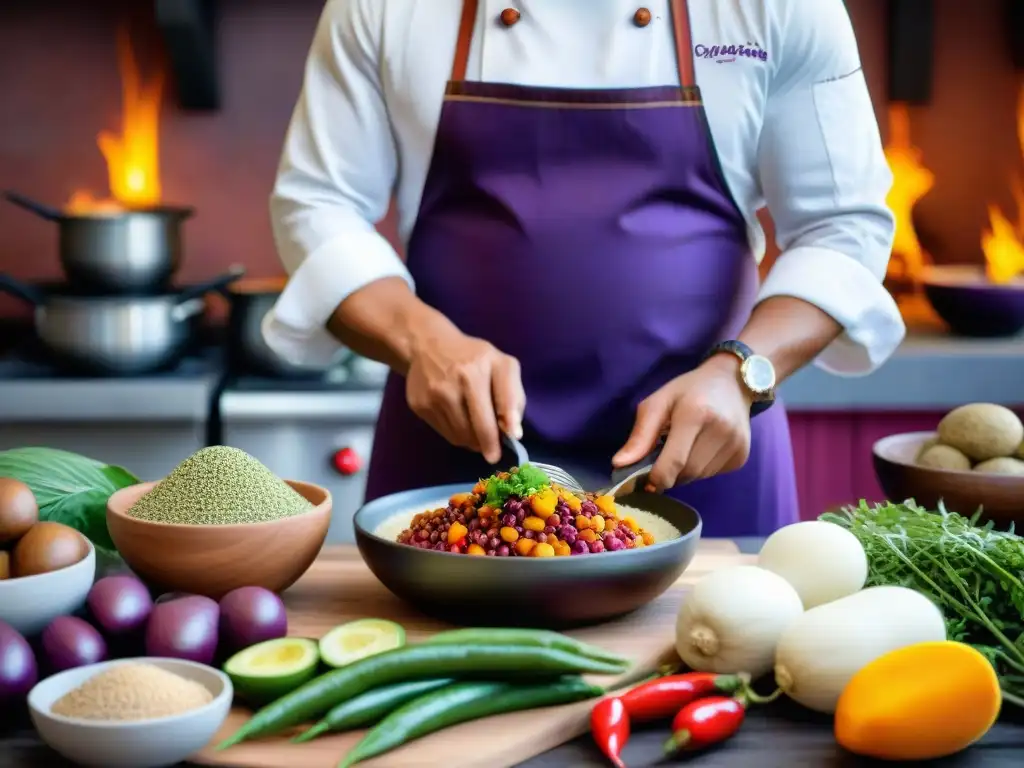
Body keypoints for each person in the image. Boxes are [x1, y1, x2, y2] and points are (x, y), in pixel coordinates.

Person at [262, 0, 906, 536]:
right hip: (451, 454)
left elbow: (842, 226)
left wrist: (741, 373)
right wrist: (423, 342)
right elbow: (319, 203)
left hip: (701, 458)